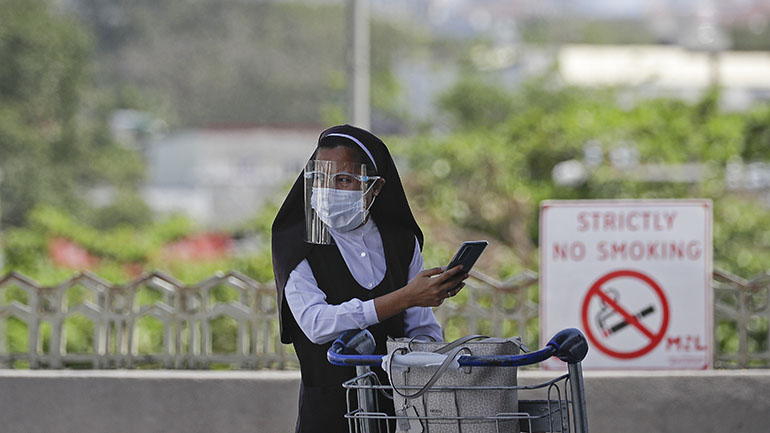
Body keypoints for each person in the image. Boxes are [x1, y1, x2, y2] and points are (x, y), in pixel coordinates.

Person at [272, 124, 469, 433]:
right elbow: (316, 323)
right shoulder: (301, 240)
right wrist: (405, 297)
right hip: (328, 413)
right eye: (319, 178)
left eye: (344, 180)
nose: (328, 189)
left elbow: (421, 328)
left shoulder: (401, 241)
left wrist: (434, 350)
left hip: (398, 410)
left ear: (375, 187)